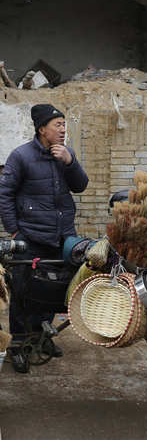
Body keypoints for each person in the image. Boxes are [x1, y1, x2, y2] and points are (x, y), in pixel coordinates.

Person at [0, 104, 89, 373]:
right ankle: (17, 344)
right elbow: (4, 194)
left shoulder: (66, 154)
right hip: (31, 237)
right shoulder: (21, 156)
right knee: (24, 293)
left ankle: (42, 337)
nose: (63, 130)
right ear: (42, 129)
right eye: (57, 125)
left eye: (64, 125)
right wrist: (15, 230)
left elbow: (81, 186)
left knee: (56, 289)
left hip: (63, 235)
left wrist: (70, 162)